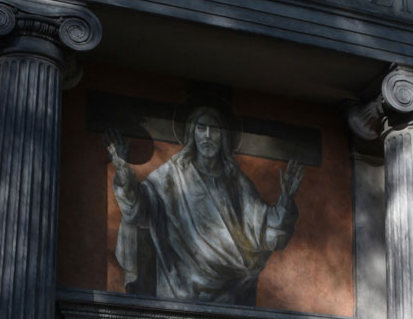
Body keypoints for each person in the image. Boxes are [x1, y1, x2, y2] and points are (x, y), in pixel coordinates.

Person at [106, 106, 304, 306]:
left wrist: (286, 198)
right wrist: (123, 171)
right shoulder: (173, 175)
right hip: (180, 284)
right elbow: (140, 207)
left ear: (223, 137)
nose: (207, 135)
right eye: (201, 128)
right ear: (192, 133)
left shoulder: (235, 181)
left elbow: (265, 229)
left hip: (233, 284)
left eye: (214, 129)